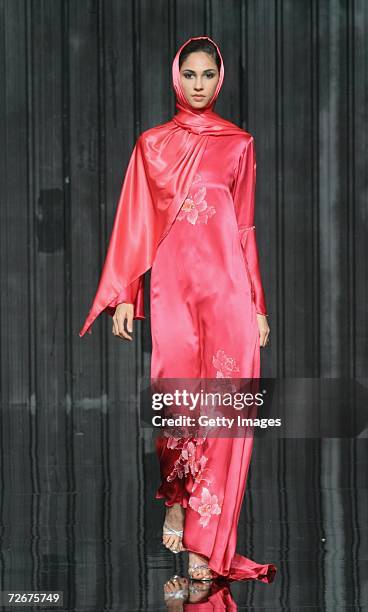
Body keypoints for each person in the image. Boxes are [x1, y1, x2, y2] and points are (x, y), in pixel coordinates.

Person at [79, 35, 276, 584]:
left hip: (228, 293)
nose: (197, 84)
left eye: (207, 75)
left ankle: (203, 541)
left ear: (220, 80)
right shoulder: (152, 146)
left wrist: (257, 304)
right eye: (188, 74)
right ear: (176, 76)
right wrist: (125, 294)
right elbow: (135, 225)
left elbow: (244, 228)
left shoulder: (239, 143)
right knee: (178, 403)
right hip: (173, 292)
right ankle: (174, 493)